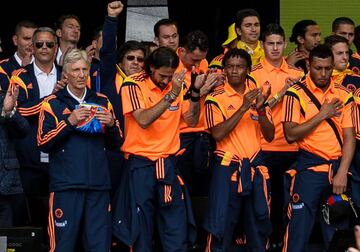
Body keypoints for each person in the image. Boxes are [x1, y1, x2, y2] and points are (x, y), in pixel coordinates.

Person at [112, 46, 204, 252]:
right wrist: (171, 95)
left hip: (168, 164)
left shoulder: (176, 85)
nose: (166, 80)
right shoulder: (132, 84)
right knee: (140, 230)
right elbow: (143, 119)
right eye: (162, 75)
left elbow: (191, 119)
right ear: (150, 67)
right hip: (140, 165)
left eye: (170, 76)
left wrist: (196, 93)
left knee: (175, 227)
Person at [37, 48, 121, 251]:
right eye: (75, 70)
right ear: (65, 74)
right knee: (62, 246)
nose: (81, 74)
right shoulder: (52, 103)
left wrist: (111, 125)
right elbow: (42, 142)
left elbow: (117, 143)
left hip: (98, 185)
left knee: (100, 246)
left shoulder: (102, 101)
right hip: (66, 186)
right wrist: (69, 122)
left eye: (84, 69)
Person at [281, 44, 355, 251]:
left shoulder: (343, 94)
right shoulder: (294, 94)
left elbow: (349, 137)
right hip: (308, 170)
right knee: (299, 229)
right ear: (308, 65)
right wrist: (322, 115)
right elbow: (290, 134)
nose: (323, 73)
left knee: (337, 233)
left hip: (336, 173)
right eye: (318, 68)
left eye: (328, 68)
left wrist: (341, 173)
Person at [204, 48, 274, 251]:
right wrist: (244, 107)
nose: (234, 71)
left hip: (254, 166)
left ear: (248, 70)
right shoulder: (214, 97)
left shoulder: (259, 95)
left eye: (240, 67)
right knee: (220, 224)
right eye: (230, 66)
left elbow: (269, 135)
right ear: (224, 69)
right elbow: (217, 134)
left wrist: (260, 109)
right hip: (227, 166)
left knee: (258, 224)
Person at [251, 23, 303, 251]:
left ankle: (283, 240)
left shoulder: (299, 74)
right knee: (265, 199)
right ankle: (266, 240)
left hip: (293, 145)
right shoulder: (252, 74)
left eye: (278, 43)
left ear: (285, 44)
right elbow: (254, 110)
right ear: (263, 45)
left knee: (288, 200)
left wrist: (298, 89)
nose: (274, 48)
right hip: (262, 144)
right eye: (270, 43)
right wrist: (283, 93)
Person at [10, 27, 64, 229]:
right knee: (28, 219)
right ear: (32, 47)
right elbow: (19, 111)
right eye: (39, 44)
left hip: (60, 157)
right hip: (29, 159)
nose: (44, 48)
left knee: (60, 216)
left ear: (56, 47)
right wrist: (52, 98)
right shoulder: (19, 75)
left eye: (49, 44)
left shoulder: (68, 74)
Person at [0, 84, 29, 227]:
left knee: (4, 242)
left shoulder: (3, 99)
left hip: (3, 185)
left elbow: (24, 130)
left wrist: (9, 111)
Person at [0, 20, 37, 90]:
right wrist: (23, 70)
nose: (31, 43)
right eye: (27, 38)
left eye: (35, 39)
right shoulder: (2, 68)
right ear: (15, 40)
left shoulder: (46, 66)